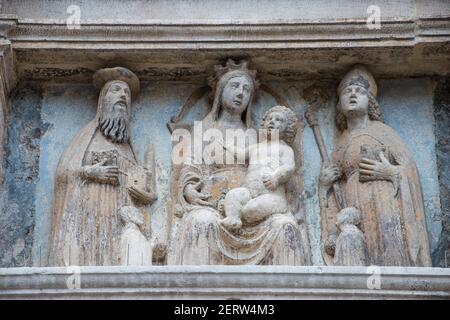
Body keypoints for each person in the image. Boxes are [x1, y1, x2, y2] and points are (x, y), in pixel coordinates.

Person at [168, 60, 310, 265]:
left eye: (246, 90)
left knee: (285, 227)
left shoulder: (260, 138)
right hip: (213, 206)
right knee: (201, 223)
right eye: (234, 86)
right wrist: (189, 189)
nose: (241, 93)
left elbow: (286, 174)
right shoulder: (203, 132)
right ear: (220, 92)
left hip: (256, 206)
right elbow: (190, 167)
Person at [319, 65, 432, 266]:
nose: (353, 95)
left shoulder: (383, 132)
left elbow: (409, 170)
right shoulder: (340, 144)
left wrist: (389, 171)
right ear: (339, 104)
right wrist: (323, 184)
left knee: (389, 254)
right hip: (354, 208)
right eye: (347, 92)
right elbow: (333, 190)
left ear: (370, 102)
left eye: (360, 91)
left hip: (385, 201)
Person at [49, 67, 155, 266]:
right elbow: (63, 174)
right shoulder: (86, 137)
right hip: (89, 214)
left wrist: (146, 195)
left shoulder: (129, 148)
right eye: (116, 90)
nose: (123, 95)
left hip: (120, 222)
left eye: (126, 94)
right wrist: (91, 172)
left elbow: (141, 189)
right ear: (102, 100)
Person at [221, 106, 297, 231]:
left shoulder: (285, 149)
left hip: (272, 195)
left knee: (251, 209)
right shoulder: (256, 147)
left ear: (287, 128)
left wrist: (276, 178)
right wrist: (228, 147)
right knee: (233, 195)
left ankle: (243, 215)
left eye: (278, 120)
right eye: (269, 119)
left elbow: (289, 167)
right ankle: (233, 219)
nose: (272, 121)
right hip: (249, 192)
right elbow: (241, 154)